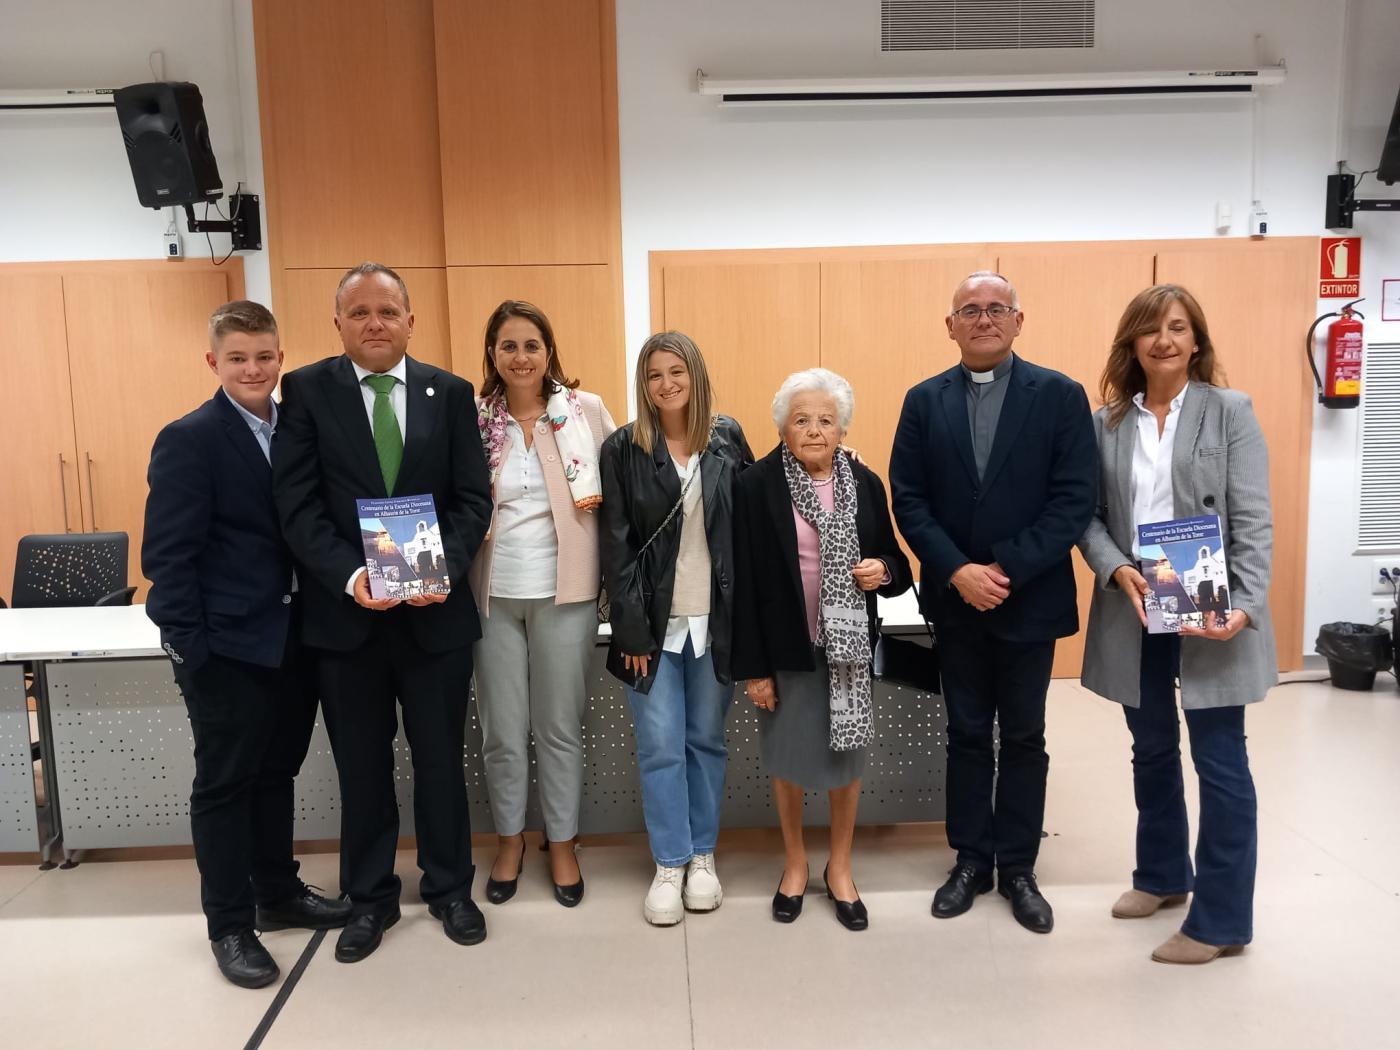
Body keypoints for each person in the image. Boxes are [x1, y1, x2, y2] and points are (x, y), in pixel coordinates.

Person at [273, 263, 493, 962]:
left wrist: (444, 569)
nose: (375, 323)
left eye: (388, 311)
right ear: (337, 322)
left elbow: (471, 500)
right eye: (359, 311)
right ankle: (369, 899)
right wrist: (348, 575)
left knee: (439, 762)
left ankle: (450, 888)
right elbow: (297, 505)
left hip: (435, 619)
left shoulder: (450, 393)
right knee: (362, 768)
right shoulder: (306, 391)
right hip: (348, 623)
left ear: (410, 319)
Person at [142, 300, 351, 989]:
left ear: (280, 357)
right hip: (225, 649)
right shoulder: (190, 438)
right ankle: (230, 924)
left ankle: (277, 892)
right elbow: (166, 562)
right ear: (214, 362)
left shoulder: (296, 427)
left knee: (275, 774)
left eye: (264, 356)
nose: (253, 369)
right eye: (238, 358)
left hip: (295, 641)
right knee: (225, 786)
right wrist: (189, 654)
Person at [889, 271, 1097, 934]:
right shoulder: (923, 402)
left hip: (1027, 597)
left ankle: (1020, 868)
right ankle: (971, 861)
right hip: (957, 602)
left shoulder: (1060, 397)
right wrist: (956, 571)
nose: (983, 319)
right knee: (967, 734)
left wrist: (1002, 568)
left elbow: (1074, 499)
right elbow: (908, 498)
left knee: (1027, 735)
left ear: (1017, 319)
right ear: (949, 325)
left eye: (995, 309)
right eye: (969, 310)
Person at [1078, 283, 1275, 965]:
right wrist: (1113, 567)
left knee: (1220, 758)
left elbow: (1252, 517)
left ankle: (1221, 922)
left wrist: (1244, 605)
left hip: (1204, 580)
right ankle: (1162, 876)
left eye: (1179, 327)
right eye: (1151, 329)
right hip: (1141, 587)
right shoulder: (1106, 423)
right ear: (1132, 342)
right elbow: (1087, 515)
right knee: (1152, 746)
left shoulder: (1229, 411)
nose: (1164, 339)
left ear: (1197, 340)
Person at [733, 368, 911, 930]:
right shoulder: (755, 485)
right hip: (786, 647)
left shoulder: (865, 483)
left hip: (849, 649)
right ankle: (793, 863)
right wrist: (755, 670)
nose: (814, 429)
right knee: (786, 758)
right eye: (802, 419)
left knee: (847, 760)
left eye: (826, 420)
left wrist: (881, 568)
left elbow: (899, 565)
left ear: (842, 429)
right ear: (783, 426)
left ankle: (840, 866)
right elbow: (742, 582)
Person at [599, 331, 753, 926]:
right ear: (643, 384)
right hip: (652, 629)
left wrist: (836, 461)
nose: (666, 384)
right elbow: (617, 547)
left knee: (706, 742)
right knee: (661, 746)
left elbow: (759, 506)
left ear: (696, 375)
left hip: (717, 620)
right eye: (654, 375)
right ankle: (669, 861)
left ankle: (702, 858)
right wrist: (630, 632)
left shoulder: (727, 437)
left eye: (676, 372)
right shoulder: (624, 447)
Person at [469, 300, 616, 908]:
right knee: (502, 732)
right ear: (493, 355)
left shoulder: (586, 412)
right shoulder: (474, 419)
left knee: (558, 729)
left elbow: (620, 500)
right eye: (508, 346)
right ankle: (510, 840)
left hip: (568, 594)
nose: (521, 357)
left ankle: (561, 842)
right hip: (492, 597)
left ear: (549, 351)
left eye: (532, 345)